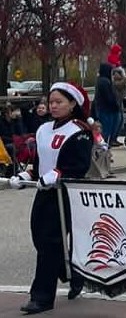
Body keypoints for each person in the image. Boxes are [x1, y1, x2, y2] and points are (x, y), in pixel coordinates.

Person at [8, 82, 92, 314]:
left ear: (72, 104)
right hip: (45, 192)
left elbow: (78, 165)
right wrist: (26, 175)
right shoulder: (44, 130)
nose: (53, 106)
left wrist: (57, 174)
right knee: (40, 237)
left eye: (59, 102)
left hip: (66, 194)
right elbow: (38, 162)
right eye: (51, 102)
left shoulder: (79, 130)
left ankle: (42, 297)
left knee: (49, 243)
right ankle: (72, 273)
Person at [93, 63, 120, 146]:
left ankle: (102, 148)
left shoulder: (100, 81)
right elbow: (109, 97)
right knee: (106, 131)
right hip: (107, 110)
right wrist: (115, 105)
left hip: (103, 109)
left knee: (104, 131)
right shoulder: (105, 82)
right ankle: (102, 149)